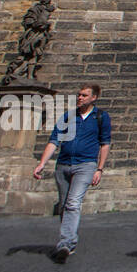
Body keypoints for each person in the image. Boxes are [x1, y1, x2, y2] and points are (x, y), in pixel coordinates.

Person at [33, 84, 111, 263]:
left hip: (86, 165)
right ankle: (69, 241)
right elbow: (54, 141)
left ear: (94, 98)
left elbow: (105, 143)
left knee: (73, 203)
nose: (80, 98)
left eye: (84, 95)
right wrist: (42, 163)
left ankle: (66, 244)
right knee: (63, 205)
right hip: (63, 165)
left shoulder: (101, 117)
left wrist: (99, 168)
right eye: (79, 95)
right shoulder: (68, 116)